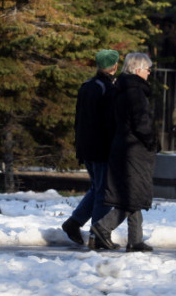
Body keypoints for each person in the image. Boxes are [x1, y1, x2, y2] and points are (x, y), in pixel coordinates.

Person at [90, 52, 157, 251]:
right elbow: (140, 122)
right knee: (132, 196)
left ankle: (135, 240)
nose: (149, 72)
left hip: (124, 146)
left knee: (134, 194)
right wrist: (151, 141)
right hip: (134, 149)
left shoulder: (121, 88)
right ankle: (103, 226)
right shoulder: (134, 91)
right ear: (138, 70)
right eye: (147, 69)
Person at [61, 49, 119, 246]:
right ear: (115, 66)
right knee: (104, 191)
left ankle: (74, 222)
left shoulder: (87, 86)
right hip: (101, 147)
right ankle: (98, 233)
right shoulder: (108, 89)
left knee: (97, 188)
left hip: (86, 145)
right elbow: (109, 121)